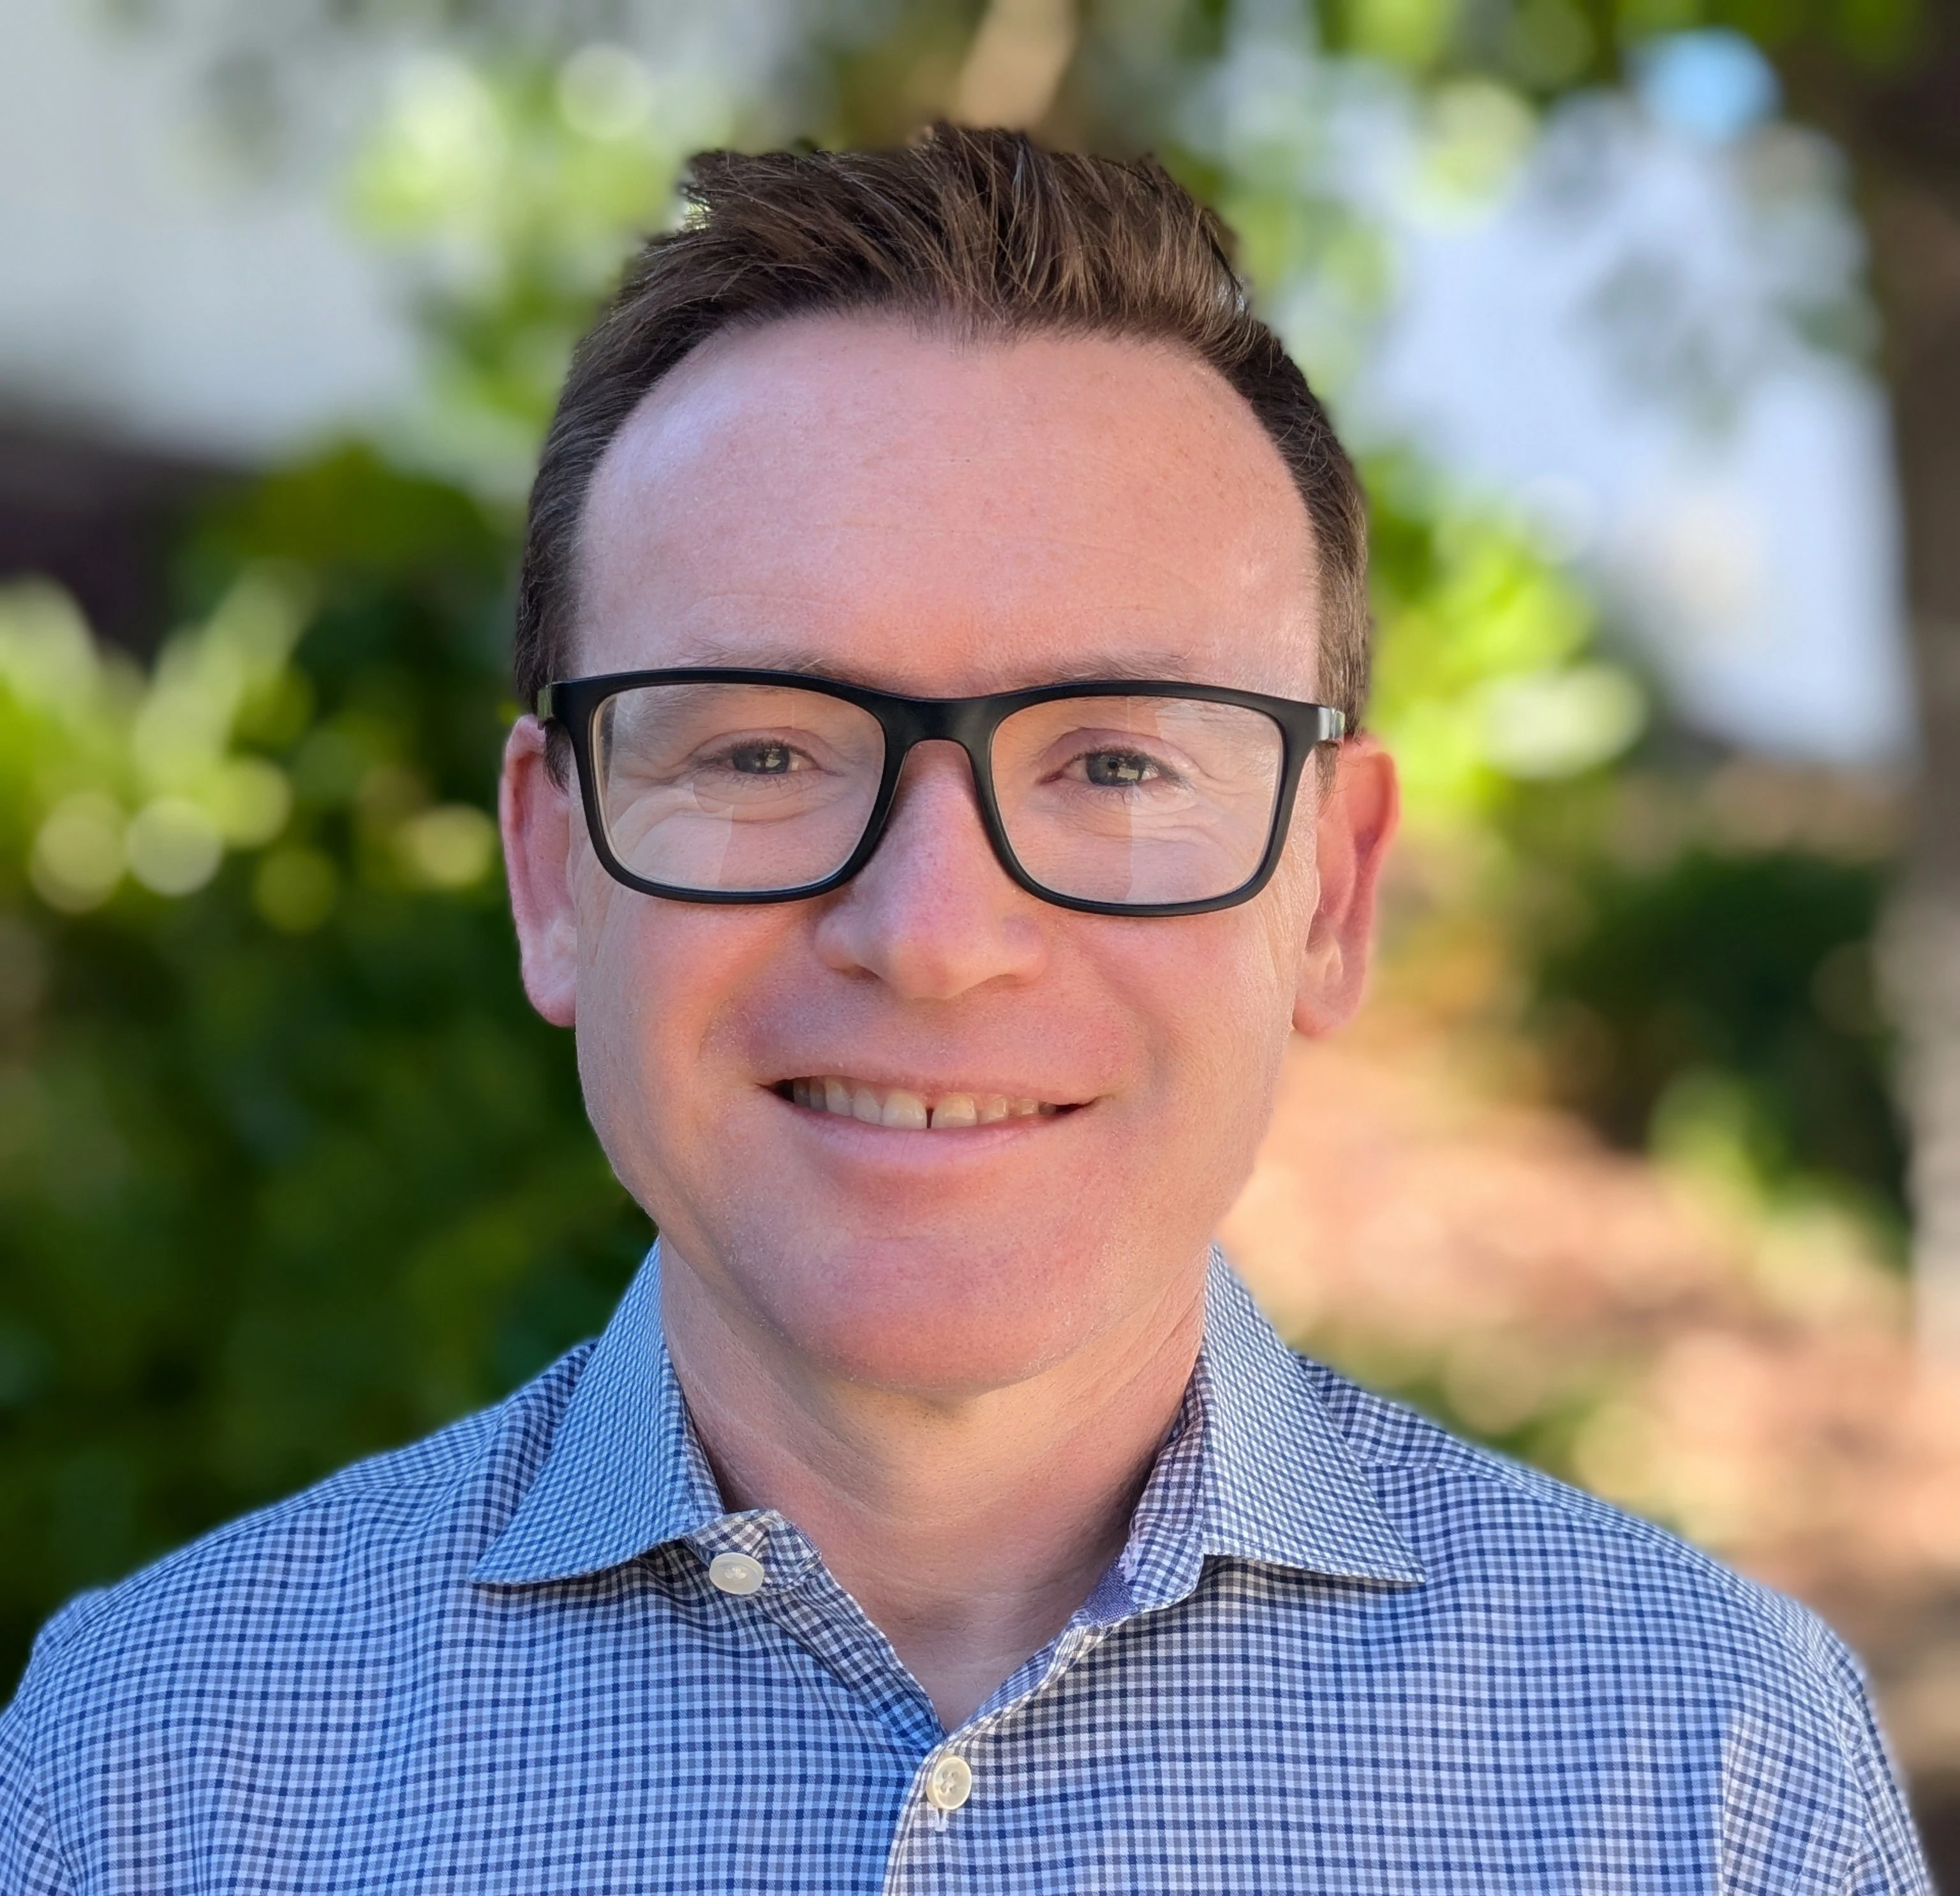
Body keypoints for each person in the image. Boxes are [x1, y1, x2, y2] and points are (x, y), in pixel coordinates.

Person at [0, 127, 1931, 1895]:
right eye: (763, 748)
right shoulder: (152, 1778)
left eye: (1114, 766)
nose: (934, 935)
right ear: (554, 869)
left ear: (1331, 889)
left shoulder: (1704, 1779)